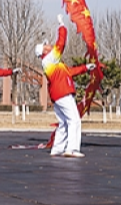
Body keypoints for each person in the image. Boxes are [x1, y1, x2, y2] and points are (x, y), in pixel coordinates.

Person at [36, 15, 96, 158]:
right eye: (46, 45)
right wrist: (61, 25)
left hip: (57, 95)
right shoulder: (50, 59)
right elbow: (61, 44)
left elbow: (70, 72)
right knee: (74, 120)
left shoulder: (53, 63)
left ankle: (57, 149)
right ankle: (72, 149)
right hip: (63, 94)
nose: (49, 45)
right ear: (44, 51)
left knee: (63, 123)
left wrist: (86, 68)